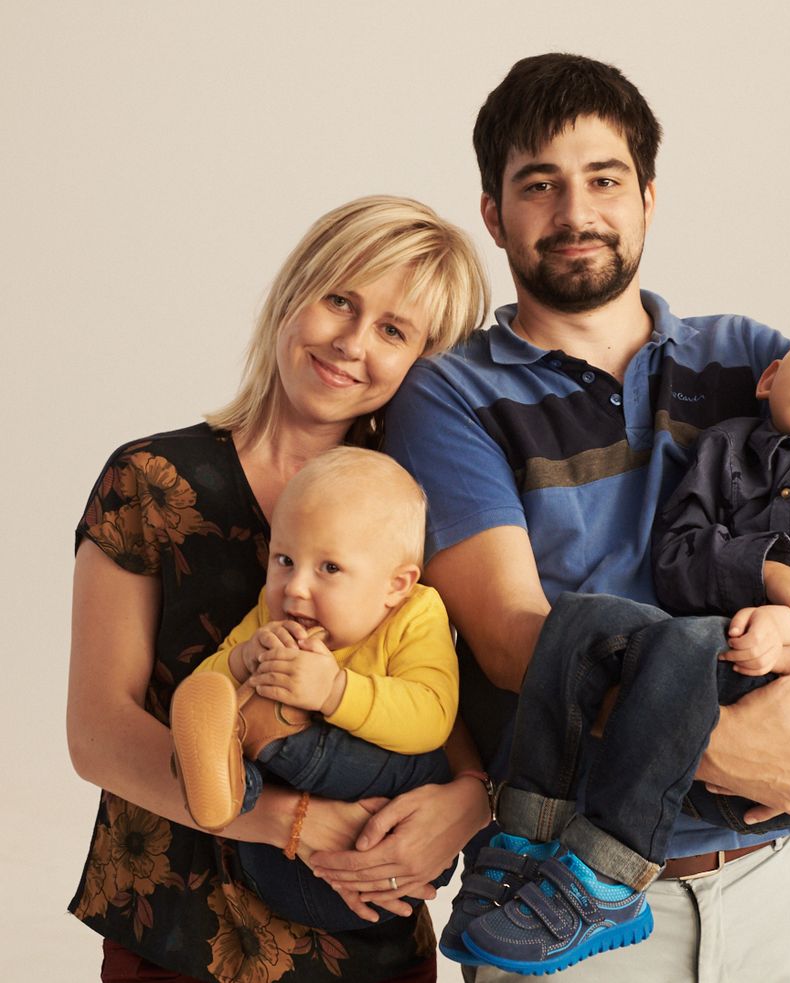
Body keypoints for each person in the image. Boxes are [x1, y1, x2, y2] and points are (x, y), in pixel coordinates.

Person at [373, 55, 790, 982]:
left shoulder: (752, 358)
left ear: (648, 197)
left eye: (604, 179)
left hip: (774, 878)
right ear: (494, 213)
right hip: (560, 893)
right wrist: (718, 746)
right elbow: (514, 638)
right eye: (539, 185)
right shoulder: (451, 395)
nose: (576, 212)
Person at [448, 300, 790, 974]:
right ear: (770, 375)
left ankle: (611, 872)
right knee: (578, 620)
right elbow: (678, 557)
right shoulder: (725, 446)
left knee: (686, 642)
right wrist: (766, 573)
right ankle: (527, 833)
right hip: (702, 645)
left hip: (781, 682)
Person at [66, 195, 491, 982]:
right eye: (340, 300)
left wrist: (472, 797)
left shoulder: (420, 509)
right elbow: (96, 732)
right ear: (295, 291)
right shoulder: (153, 479)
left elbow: (438, 685)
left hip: (367, 940)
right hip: (178, 928)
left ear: (424, 363)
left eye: (393, 331)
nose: (351, 343)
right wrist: (285, 820)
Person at [169, 446, 459, 931]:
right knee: (224, 723)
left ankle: (261, 736)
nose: (295, 588)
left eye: (329, 568)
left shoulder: (415, 614)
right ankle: (234, 778)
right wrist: (242, 659)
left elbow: (432, 718)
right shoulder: (272, 618)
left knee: (426, 761)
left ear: (396, 585)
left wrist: (334, 691)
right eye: (284, 560)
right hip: (283, 869)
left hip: (391, 839)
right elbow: (204, 697)